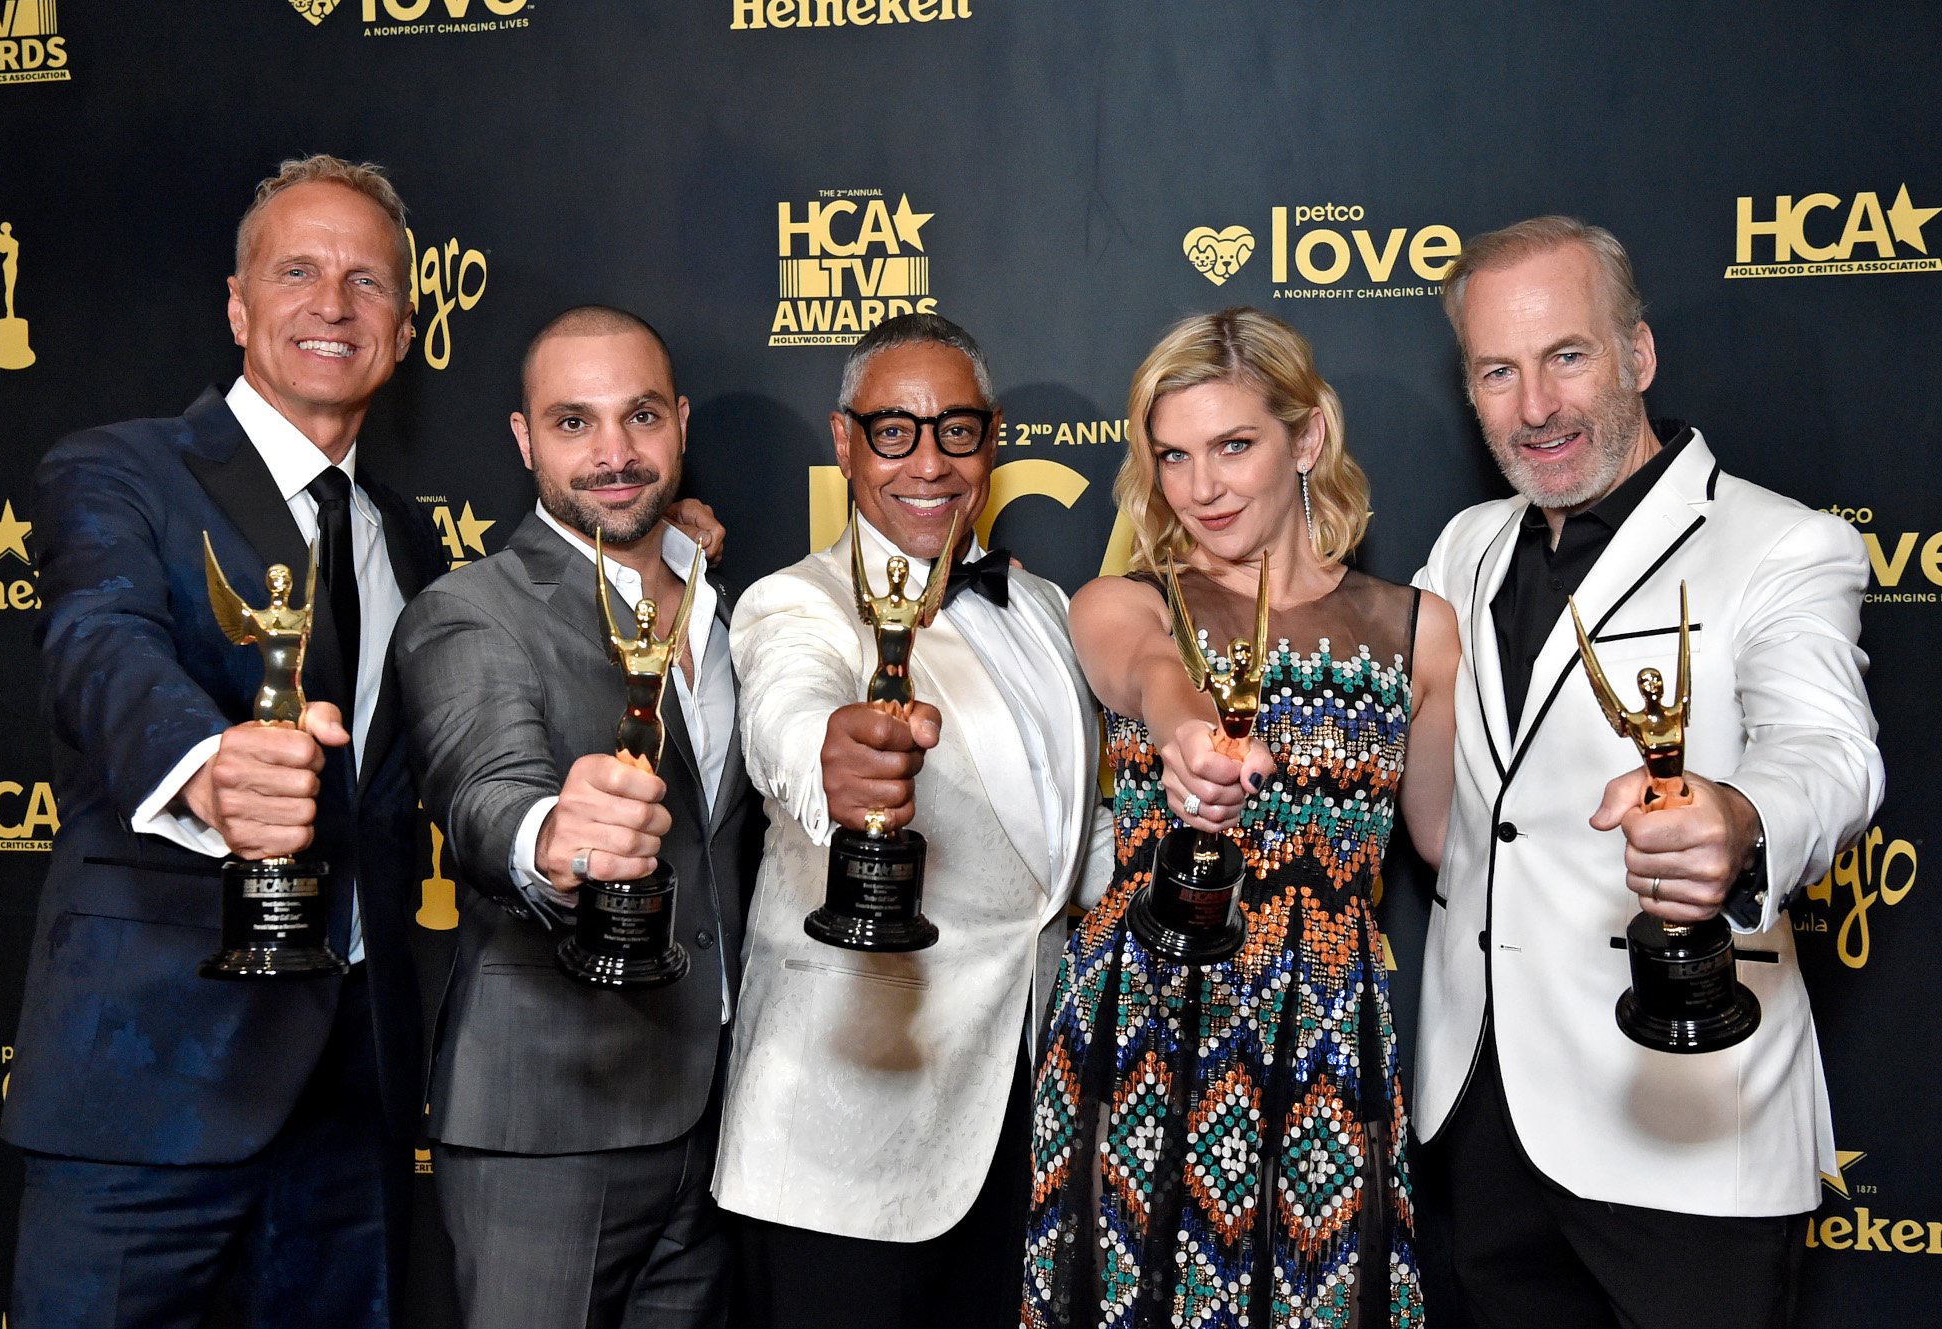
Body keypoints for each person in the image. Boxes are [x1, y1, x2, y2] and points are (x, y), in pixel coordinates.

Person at [1412, 216, 1885, 1328]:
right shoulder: (1462, 546)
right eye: (1497, 371)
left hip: (1681, 1115)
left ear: (1637, 354)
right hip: (1481, 1118)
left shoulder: (1781, 545)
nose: (1534, 407)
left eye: (1565, 356)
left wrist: (1737, 818)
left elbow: (1828, 749)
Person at [2, 155, 446, 1328]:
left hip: (352, 1103)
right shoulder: (118, 469)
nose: (333, 304)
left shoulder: (410, 541)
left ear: (402, 328)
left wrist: (665, 553)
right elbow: (100, 645)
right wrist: (208, 769)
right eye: (296, 271)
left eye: (367, 281)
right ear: (239, 308)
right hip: (145, 1090)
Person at [1022, 308, 1459, 1329]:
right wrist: (1188, 736)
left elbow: (1443, 842)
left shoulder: (1416, 628)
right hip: (1139, 1023)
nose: (1200, 487)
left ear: (1304, 439)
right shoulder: (1121, 602)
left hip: (1324, 1041)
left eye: (1232, 446)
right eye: (1171, 456)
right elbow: (1151, 672)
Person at [713, 313, 1114, 1329]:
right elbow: (786, 718)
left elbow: (1064, 849)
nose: (927, 462)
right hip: (839, 1147)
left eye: (956, 431)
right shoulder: (793, 604)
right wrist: (831, 764)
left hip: (1018, 1133)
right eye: (893, 431)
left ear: (993, 441)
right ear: (843, 443)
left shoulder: (1048, 610)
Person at [392, 306, 759, 1328]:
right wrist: (550, 838)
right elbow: (483, 786)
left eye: (639, 416)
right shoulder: (471, 610)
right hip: (548, 1126)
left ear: (679, 424)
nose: (612, 453)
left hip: (718, 1125)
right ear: (523, 440)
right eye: (572, 423)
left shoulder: (731, 607)